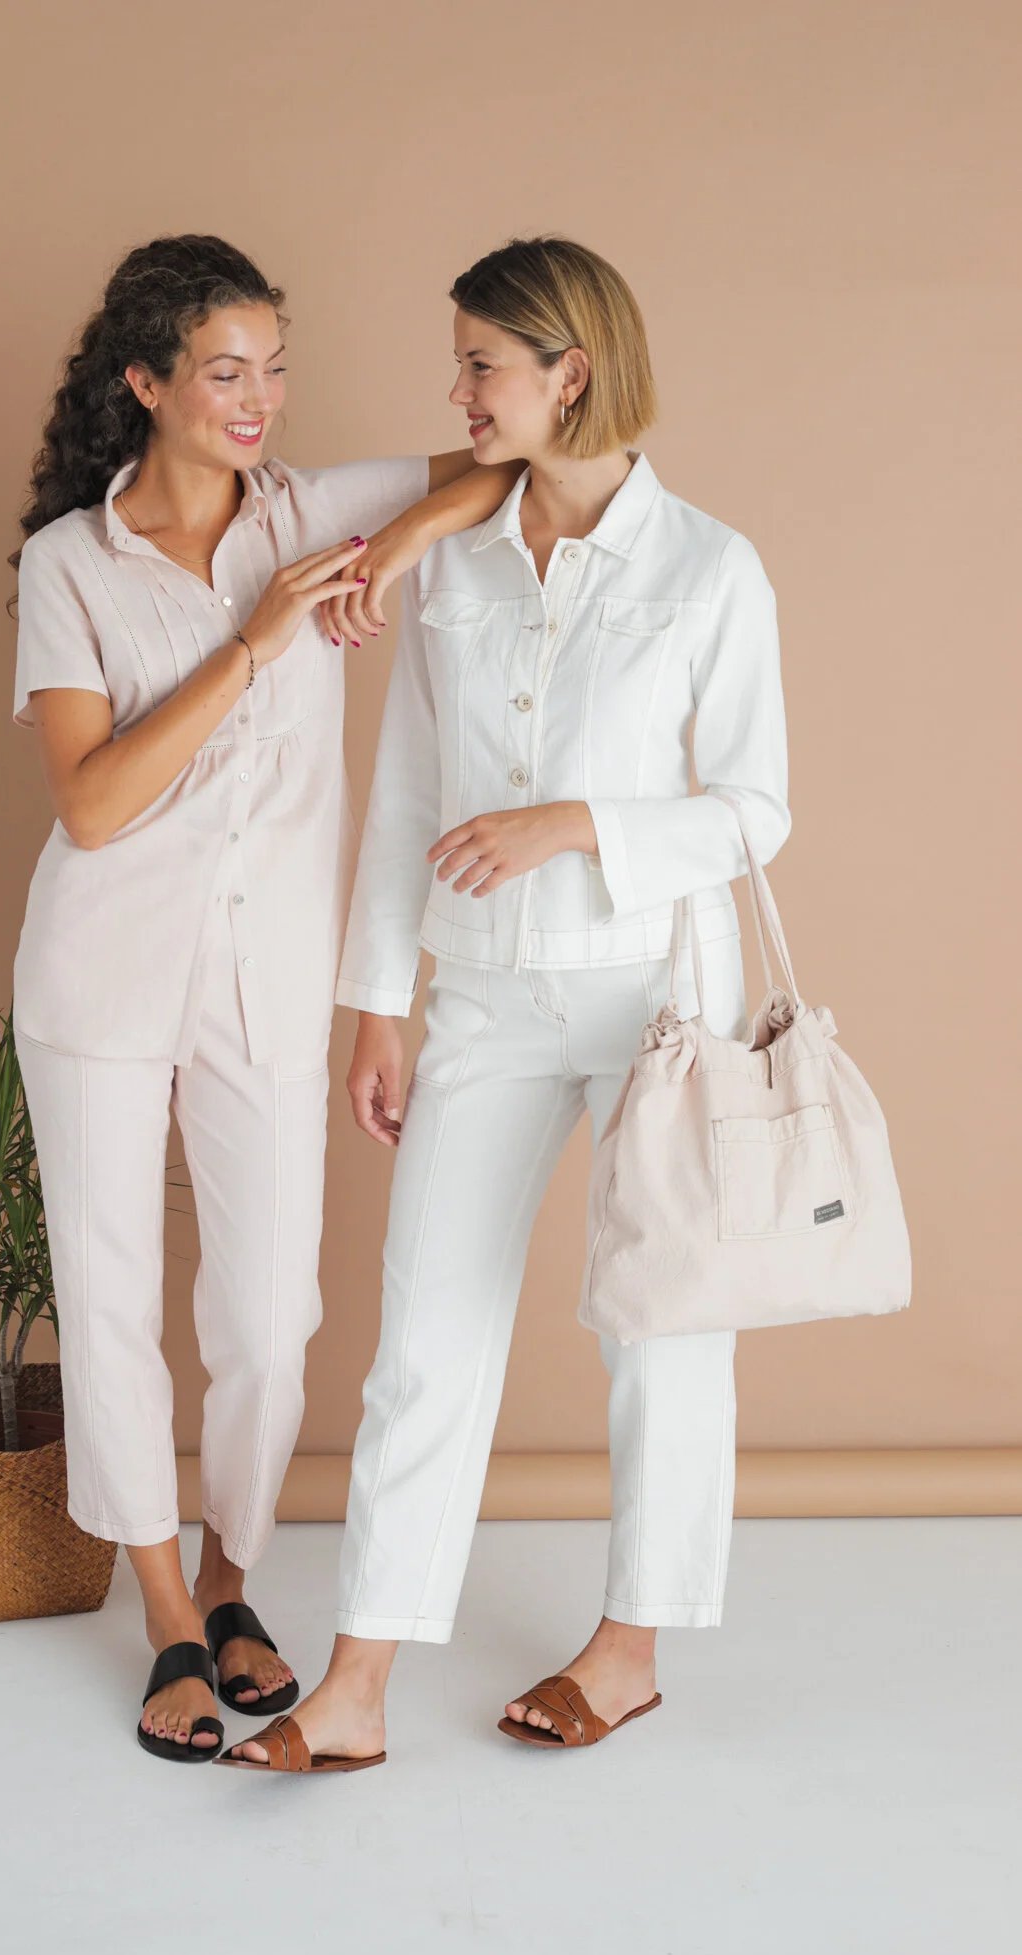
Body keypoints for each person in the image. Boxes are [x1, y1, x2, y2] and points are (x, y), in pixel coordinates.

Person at [223, 236, 790, 1775]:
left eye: (482, 363)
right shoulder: (455, 562)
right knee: (426, 1334)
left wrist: (578, 826)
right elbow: (408, 785)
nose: (459, 391)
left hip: (661, 1001)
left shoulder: (710, 567)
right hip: (480, 996)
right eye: (461, 360)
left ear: (571, 372)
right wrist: (377, 1002)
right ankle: (357, 1684)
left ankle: (631, 1651)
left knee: (662, 1333)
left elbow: (757, 810)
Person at [9, 234, 520, 1762]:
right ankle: (169, 1614)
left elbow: (507, 465)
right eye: (225, 372)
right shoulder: (69, 565)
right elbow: (95, 802)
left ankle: (235, 1578)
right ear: (145, 382)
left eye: (274, 369)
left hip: (270, 976)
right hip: (100, 969)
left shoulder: (312, 514)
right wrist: (258, 640)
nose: (259, 399)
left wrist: (393, 549)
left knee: (269, 1313)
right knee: (109, 1300)